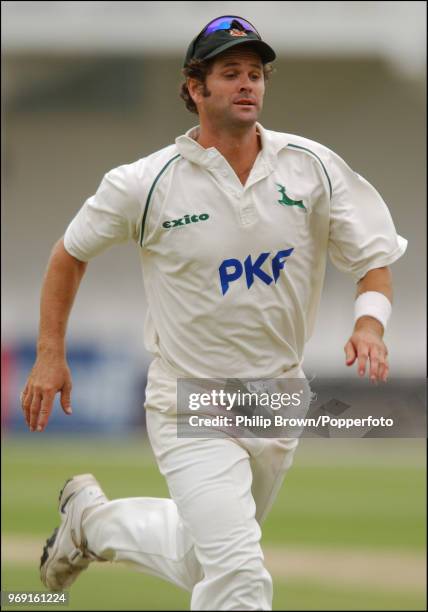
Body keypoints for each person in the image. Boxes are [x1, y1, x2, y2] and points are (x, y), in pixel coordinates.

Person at [21, 15, 407, 611]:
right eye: (230, 73)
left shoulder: (311, 168)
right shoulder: (145, 183)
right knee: (239, 577)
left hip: (277, 395)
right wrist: (50, 354)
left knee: (198, 555)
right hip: (189, 396)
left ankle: (92, 525)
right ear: (195, 88)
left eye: (255, 73)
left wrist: (369, 323)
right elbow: (69, 253)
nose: (247, 83)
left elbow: (374, 256)